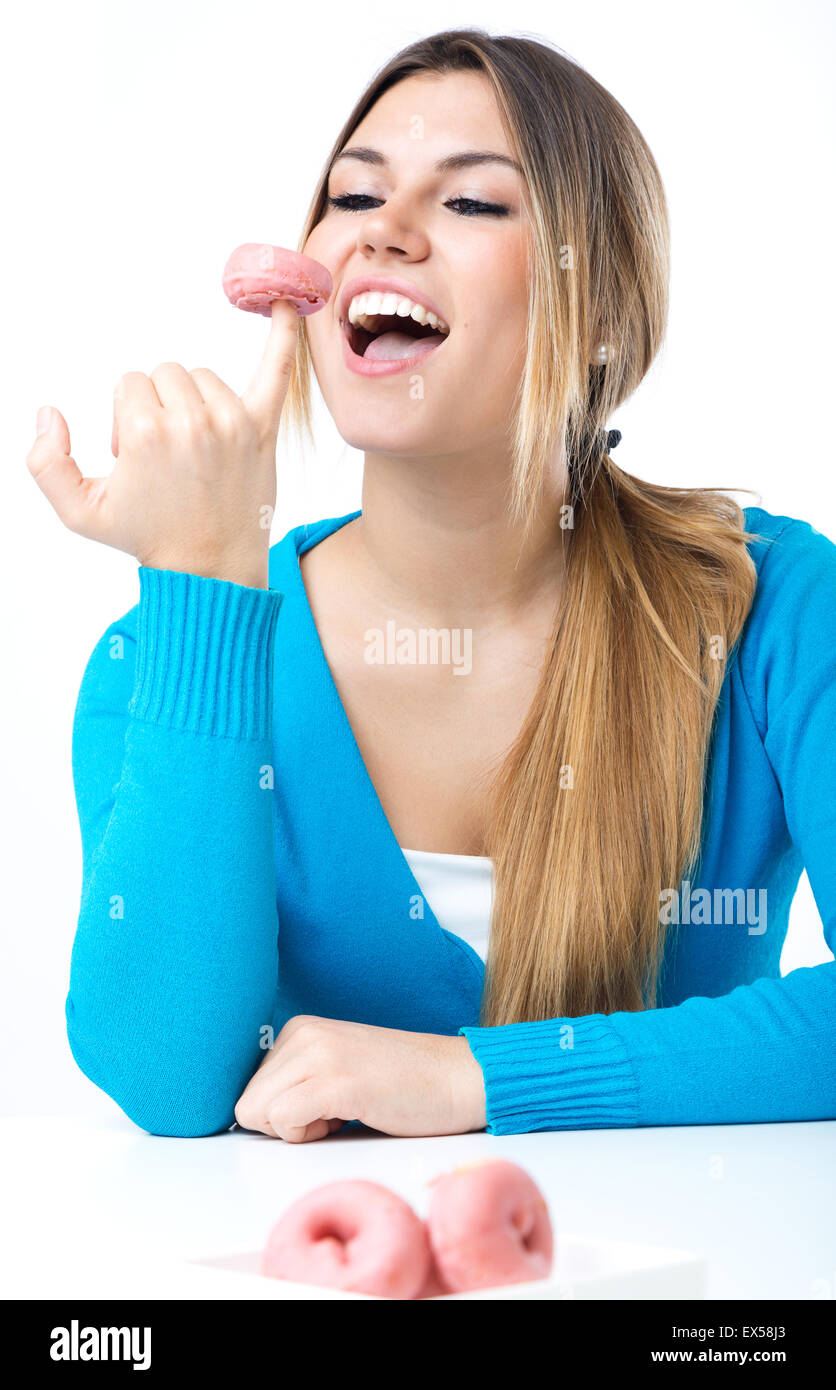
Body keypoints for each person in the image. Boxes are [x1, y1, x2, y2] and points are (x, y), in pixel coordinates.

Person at [27, 28, 836, 1140]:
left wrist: (472, 1081)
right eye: (352, 195)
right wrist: (202, 586)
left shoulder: (773, 606)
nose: (382, 235)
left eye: (471, 205)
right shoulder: (161, 655)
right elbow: (165, 1077)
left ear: (596, 306)